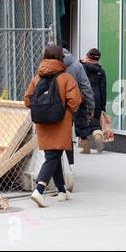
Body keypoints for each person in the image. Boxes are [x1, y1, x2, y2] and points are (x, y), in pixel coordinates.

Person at [24, 45, 82, 208]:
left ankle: (62, 190)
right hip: (61, 122)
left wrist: (43, 110)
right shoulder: (66, 78)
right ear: (60, 59)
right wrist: (66, 111)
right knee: (53, 156)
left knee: (53, 153)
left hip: (42, 123)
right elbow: (75, 102)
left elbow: (27, 100)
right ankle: (39, 190)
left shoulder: (37, 78)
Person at [62, 42, 95, 157]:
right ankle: (82, 149)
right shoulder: (77, 65)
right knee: (76, 125)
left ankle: (60, 159)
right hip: (74, 102)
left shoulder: (50, 64)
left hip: (56, 103)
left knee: (60, 131)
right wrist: (91, 107)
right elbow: (86, 87)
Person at [77, 48, 107, 153]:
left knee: (82, 121)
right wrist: (103, 107)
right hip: (97, 99)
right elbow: (103, 90)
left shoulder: (81, 68)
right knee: (95, 121)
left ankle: (86, 148)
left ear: (87, 56)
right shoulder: (101, 71)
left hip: (83, 98)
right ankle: (98, 136)